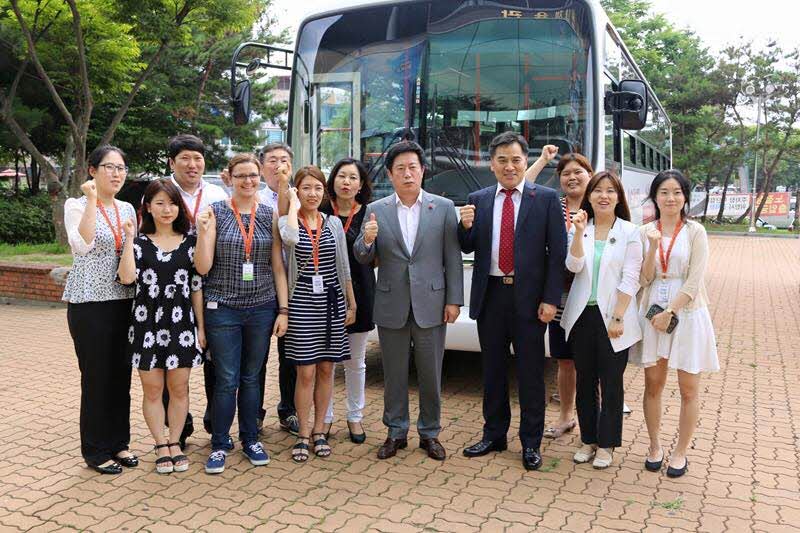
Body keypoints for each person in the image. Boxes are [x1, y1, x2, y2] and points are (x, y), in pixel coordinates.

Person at [458, 132, 566, 471]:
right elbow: (467, 245)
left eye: (516, 159)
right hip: (490, 295)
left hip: (529, 299)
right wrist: (464, 227)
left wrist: (551, 299)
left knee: (531, 373)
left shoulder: (546, 198)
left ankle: (531, 442)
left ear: (525, 161)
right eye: (502, 160)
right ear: (492, 164)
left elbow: (557, 254)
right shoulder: (479, 199)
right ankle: (494, 434)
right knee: (492, 371)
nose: (509, 166)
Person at [354, 141, 463, 461]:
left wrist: (454, 300)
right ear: (390, 174)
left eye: (412, 167)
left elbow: (452, 258)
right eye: (400, 168)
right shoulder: (376, 209)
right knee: (394, 374)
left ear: (423, 171)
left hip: (432, 302)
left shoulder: (443, 207)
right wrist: (367, 239)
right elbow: (362, 256)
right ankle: (396, 431)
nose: (407, 174)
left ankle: (430, 432)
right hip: (392, 303)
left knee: (431, 373)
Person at [195, 153, 289, 474]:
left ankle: (251, 439)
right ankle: (220, 443)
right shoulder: (216, 211)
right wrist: (203, 233)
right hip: (223, 308)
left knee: (251, 377)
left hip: (262, 308)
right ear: (229, 178)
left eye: (252, 176)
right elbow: (203, 267)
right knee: (226, 379)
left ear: (259, 177)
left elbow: (277, 266)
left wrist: (283, 309)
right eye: (241, 176)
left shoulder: (268, 214)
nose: (248, 181)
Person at [631, 169, 719, 478]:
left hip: (688, 313)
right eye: (664, 192)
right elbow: (643, 279)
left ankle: (681, 452)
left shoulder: (695, 231)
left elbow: (695, 280)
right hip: (653, 312)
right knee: (653, 384)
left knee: (689, 388)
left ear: (685, 197)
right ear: (654, 197)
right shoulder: (644, 232)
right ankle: (655, 446)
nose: (671, 198)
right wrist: (651, 248)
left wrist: (671, 311)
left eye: (677, 192)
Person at [118, 179, 205, 474]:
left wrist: (201, 329)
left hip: (182, 325)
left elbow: (197, 287)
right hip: (147, 326)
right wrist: (128, 239)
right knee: (153, 390)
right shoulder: (139, 244)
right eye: (160, 203)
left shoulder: (190, 242)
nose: (167, 210)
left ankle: (175, 442)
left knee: (179, 388)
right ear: (148, 208)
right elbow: (127, 278)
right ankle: (160, 445)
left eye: (172, 203)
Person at [63, 145, 139, 475]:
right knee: (96, 377)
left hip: (124, 299)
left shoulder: (127, 208)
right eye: (109, 167)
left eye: (121, 168)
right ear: (93, 171)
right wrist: (93, 199)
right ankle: (95, 450)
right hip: (89, 303)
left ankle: (119, 442)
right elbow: (83, 245)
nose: (116, 173)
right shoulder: (76, 205)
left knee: (121, 376)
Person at [560, 171, 643, 469]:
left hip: (614, 317)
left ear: (619, 197)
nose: (603, 196)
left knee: (611, 383)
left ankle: (607, 444)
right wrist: (578, 232)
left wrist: (618, 316)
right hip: (582, 315)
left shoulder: (630, 231)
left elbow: (631, 278)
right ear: (589, 196)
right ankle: (588, 439)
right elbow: (573, 265)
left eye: (610, 190)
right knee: (585, 381)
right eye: (597, 190)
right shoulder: (581, 227)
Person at [279, 166, 356, 462]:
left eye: (318, 188)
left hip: (331, 303)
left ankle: (320, 430)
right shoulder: (288, 221)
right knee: (306, 372)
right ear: (297, 191)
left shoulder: (333, 223)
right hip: (301, 304)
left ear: (324, 192)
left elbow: (344, 266)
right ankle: (302, 433)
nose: (313, 194)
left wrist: (352, 303)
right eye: (306, 188)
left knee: (326, 370)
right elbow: (290, 239)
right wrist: (292, 204)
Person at [164, 134, 227, 446]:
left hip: (211, 281)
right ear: (171, 162)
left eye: (198, 158)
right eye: (185, 158)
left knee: (215, 355)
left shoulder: (216, 194)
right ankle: (179, 427)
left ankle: (216, 422)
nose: (192, 164)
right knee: (173, 358)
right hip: (170, 285)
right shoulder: (161, 192)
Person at [320, 158, 375, 444]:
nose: (347, 182)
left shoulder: (369, 214)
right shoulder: (320, 210)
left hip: (361, 293)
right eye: (342, 176)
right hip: (324, 295)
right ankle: (325, 416)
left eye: (353, 178)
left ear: (361, 185)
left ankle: (355, 416)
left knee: (356, 361)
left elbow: (376, 256)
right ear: (333, 181)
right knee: (326, 362)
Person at [255, 142, 298, 435]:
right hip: (259, 282)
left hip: (293, 285)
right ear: (261, 168)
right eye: (272, 160)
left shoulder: (301, 196)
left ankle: (289, 410)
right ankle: (254, 413)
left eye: (284, 159)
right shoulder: (252, 197)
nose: (278, 165)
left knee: (290, 354)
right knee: (257, 356)